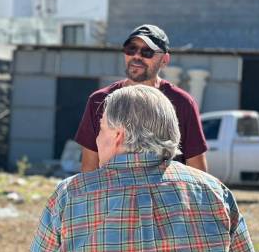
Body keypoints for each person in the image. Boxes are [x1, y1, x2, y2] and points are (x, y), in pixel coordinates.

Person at [14, 85, 259, 252]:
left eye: (100, 130)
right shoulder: (213, 190)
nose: (97, 140)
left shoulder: (69, 195)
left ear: (118, 135)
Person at [75, 24, 208, 173]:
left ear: (164, 59)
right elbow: (89, 167)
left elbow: (197, 169)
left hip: (163, 193)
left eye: (147, 51)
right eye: (131, 49)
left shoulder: (182, 102)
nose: (137, 56)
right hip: (114, 193)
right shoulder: (100, 100)